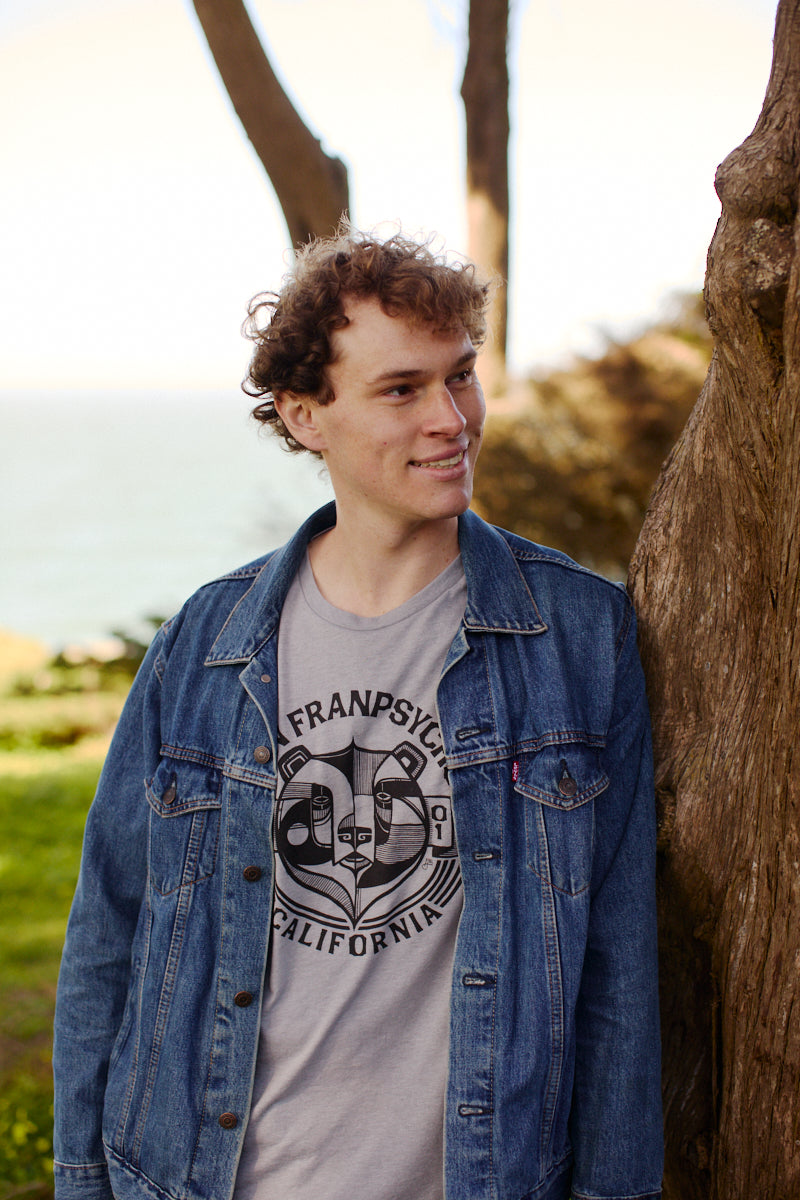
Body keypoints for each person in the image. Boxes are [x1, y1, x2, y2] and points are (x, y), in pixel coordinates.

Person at [53, 228, 663, 1200]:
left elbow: (618, 969)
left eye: (458, 377)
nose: (451, 417)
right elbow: (106, 944)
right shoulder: (205, 648)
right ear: (304, 415)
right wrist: (82, 1183)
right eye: (400, 389)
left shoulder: (577, 639)